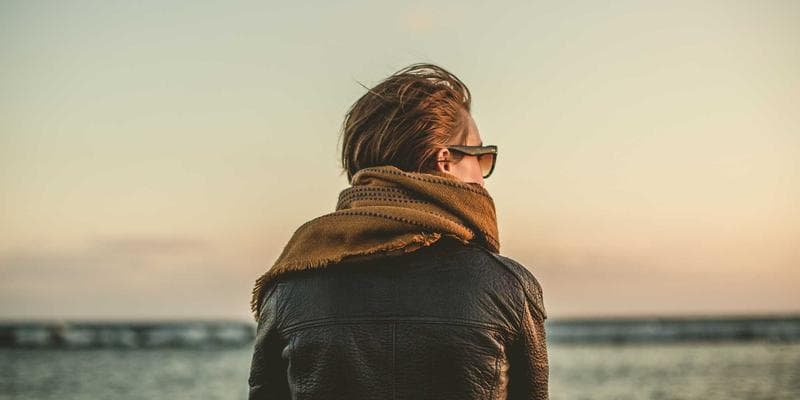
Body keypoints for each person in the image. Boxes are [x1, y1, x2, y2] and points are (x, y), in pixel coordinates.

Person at [247, 63, 549, 399]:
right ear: (445, 161)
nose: (482, 176)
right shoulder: (508, 287)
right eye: (481, 158)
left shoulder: (287, 289)